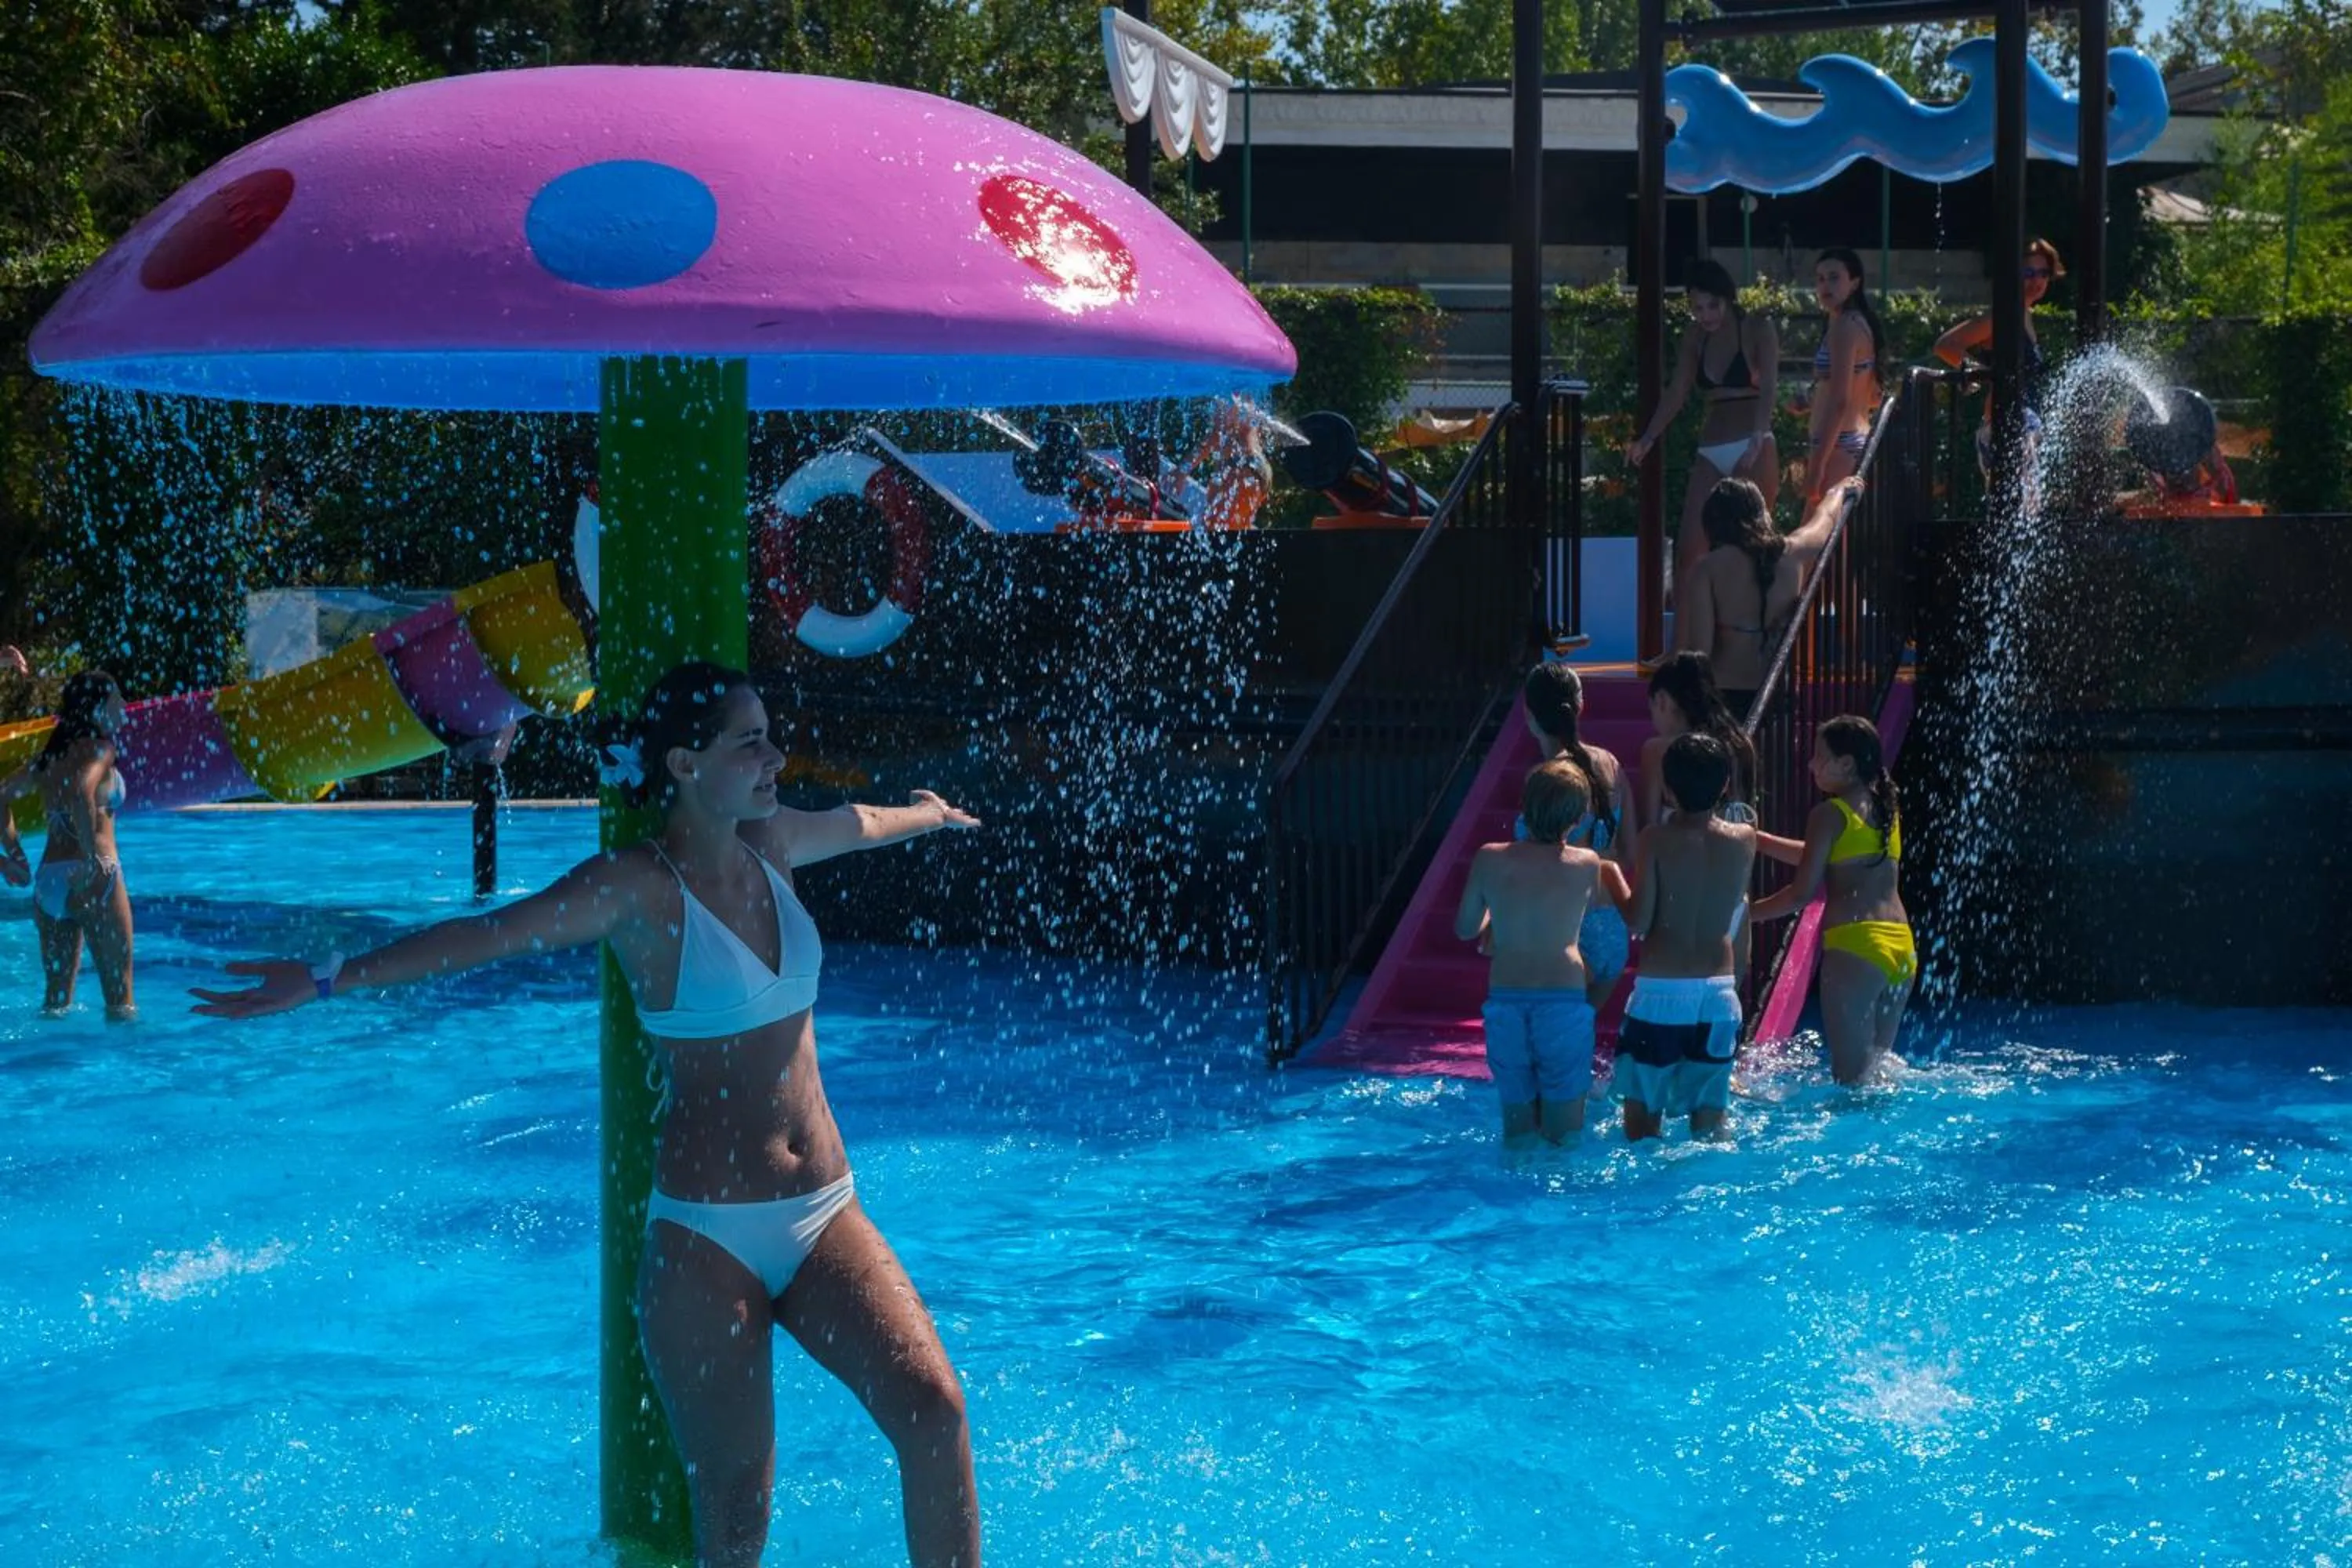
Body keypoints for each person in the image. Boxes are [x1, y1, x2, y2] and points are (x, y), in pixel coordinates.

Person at [191, 662, 985, 1568]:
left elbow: (861, 822)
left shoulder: (774, 842)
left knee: (935, 1413)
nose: (776, 755)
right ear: (685, 763)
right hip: (708, 1239)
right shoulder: (638, 888)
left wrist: (929, 813)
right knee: (735, 1517)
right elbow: (488, 937)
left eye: (769, 734)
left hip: (822, 1209)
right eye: (750, 741)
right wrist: (328, 977)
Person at [1456, 757, 1632, 1151]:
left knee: (1517, 1132)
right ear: (1578, 819)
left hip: (1506, 1000)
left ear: (1525, 805)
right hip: (1563, 1001)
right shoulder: (1586, 864)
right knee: (1565, 1132)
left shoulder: (1489, 857)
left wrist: (1496, 918)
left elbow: (1466, 929)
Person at [1748, 714, 1913, 1085]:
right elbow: (1828, 855)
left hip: (1856, 946)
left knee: (1850, 1083)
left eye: (1818, 756)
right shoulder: (1886, 808)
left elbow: (1800, 894)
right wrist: (1759, 839)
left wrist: (1745, 915)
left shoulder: (1827, 814)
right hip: (1901, 948)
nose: (1810, 764)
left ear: (1846, 764)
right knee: (1877, 1075)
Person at [1617, 734, 1757, 1142]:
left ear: (1667, 788)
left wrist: (1611, 879)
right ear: (1725, 787)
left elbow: (1639, 920)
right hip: (1719, 997)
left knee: (1642, 1127)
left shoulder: (1655, 840)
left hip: (1661, 995)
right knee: (1711, 1128)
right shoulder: (1743, 841)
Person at [1624, 258, 1782, 593]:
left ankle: (1754, 641)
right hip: (1711, 448)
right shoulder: (1695, 336)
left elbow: (1769, 385)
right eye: (1698, 308)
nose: (1706, 315)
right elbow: (1678, 391)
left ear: (1728, 298)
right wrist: (1648, 437)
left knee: (1751, 552)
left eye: (1713, 305)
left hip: (1753, 443)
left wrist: (1758, 434)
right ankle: (1684, 643)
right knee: (1689, 553)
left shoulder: (1756, 326)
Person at [0, 670, 135, 1019]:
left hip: (49, 883)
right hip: (94, 877)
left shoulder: (49, 758)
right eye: (117, 698)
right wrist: (91, 857)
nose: (124, 705)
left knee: (56, 1004)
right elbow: (80, 791)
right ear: (98, 707)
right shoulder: (101, 749)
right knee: (120, 1002)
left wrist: (15, 856)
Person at [1674, 476, 1862, 713]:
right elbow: (1824, 522)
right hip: (1775, 691)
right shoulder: (1791, 553)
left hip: (1725, 695)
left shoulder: (1708, 568)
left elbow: (1700, 651)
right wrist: (1838, 491)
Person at [1521, 662, 1632, 1007]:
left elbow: (1539, 868)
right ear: (1580, 705)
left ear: (1528, 713)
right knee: (1578, 1040)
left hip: (1568, 934)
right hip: (1612, 932)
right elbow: (1630, 852)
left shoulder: (1543, 779)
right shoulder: (1611, 764)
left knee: (1551, 1047)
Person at [1934, 237, 2062, 480]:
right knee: (2022, 504)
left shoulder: (2025, 314)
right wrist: (1986, 376)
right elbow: (1945, 345)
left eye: (2044, 273)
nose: (2037, 280)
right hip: (2008, 422)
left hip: (2026, 423)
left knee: (2025, 509)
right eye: (2029, 272)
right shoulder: (2002, 316)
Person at [1803, 248, 1886, 503]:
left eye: (1834, 277)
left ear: (1855, 283)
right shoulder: (1859, 323)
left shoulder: (1844, 327)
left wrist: (1817, 465)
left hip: (1836, 445)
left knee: (1816, 538)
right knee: (1835, 537)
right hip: (1849, 438)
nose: (1825, 285)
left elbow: (1840, 401)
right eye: (1820, 279)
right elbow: (1870, 396)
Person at [1639, 651, 1757, 829]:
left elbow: (1649, 826)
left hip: (1679, 855)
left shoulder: (1658, 750)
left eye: (1652, 708)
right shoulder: (1740, 742)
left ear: (1662, 700)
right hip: (1734, 853)